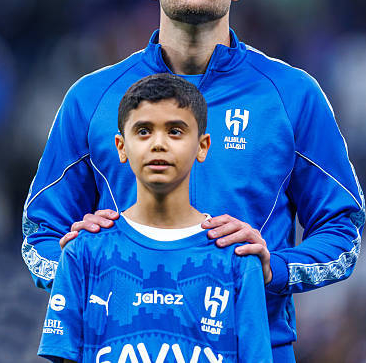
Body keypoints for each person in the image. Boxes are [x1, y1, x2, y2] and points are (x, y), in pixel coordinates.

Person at [23, 0, 365, 363]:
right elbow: (40, 231)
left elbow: (342, 228)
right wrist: (75, 263)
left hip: (249, 348)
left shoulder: (292, 95)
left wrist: (275, 267)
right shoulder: (91, 99)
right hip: (118, 346)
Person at [38, 73, 273, 363]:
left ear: (202, 146)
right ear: (121, 146)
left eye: (175, 131)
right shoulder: (84, 250)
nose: (158, 143)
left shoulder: (237, 258)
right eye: (143, 131)